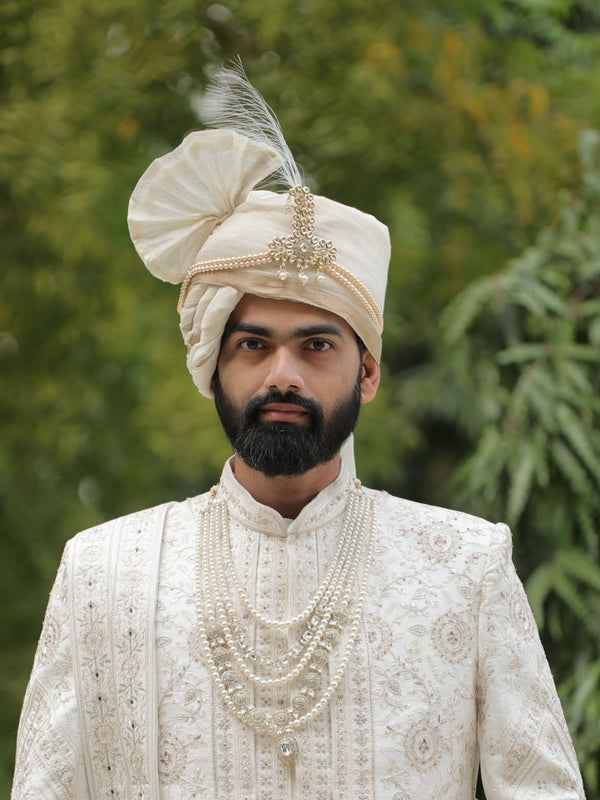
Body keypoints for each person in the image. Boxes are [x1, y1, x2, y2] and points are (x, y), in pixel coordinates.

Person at [12, 65, 585, 800]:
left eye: (316, 346)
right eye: (253, 345)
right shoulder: (103, 574)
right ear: (212, 370)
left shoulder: (466, 568)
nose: (283, 374)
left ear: (368, 374)